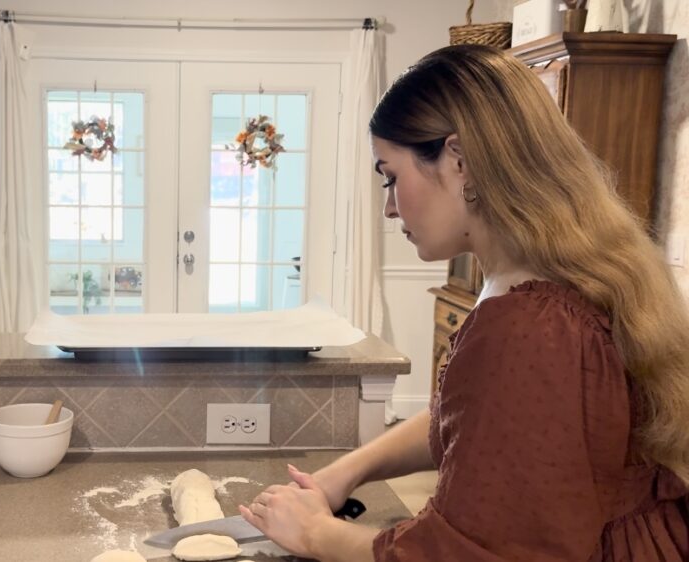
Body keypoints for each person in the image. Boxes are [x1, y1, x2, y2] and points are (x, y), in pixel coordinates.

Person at [239, 44, 689, 561]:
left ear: (458, 161)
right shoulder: (550, 278)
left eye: (391, 176)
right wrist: (347, 471)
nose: (389, 207)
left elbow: (477, 554)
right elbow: (473, 423)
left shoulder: (530, 326)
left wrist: (317, 534)